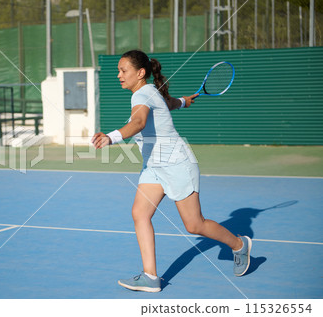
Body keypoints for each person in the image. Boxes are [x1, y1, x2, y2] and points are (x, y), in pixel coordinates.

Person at [91, 50, 252, 293]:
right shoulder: (150, 92)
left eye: (123, 71)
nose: (119, 75)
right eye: (118, 71)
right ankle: (150, 277)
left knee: (194, 225)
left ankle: (240, 245)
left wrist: (111, 137)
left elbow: (138, 123)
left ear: (140, 73)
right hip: (154, 168)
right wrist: (183, 102)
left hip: (177, 165)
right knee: (140, 214)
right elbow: (166, 104)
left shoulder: (141, 95)